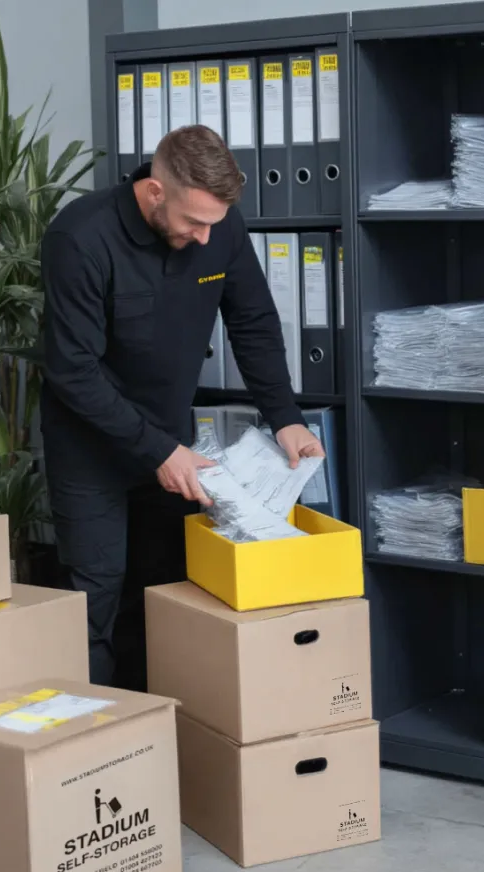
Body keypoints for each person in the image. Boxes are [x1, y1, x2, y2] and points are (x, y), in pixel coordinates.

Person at [40, 124, 324, 690]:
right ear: (153, 192)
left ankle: (160, 738)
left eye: (212, 224)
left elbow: (253, 323)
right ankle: (96, 750)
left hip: (170, 444)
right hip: (91, 450)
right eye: (193, 222)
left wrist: (285, 416)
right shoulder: (80, 237)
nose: (203, 238)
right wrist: (158, 450)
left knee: (166, 591)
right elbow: (73, 369)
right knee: (97, 596)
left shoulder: (218, 227)